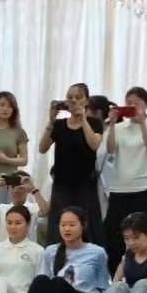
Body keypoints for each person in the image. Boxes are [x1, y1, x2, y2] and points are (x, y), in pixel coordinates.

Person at [18, 207, 109, 293]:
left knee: (59, 282)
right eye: (63, 225)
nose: (67, 229)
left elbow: (104, 287)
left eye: (72, 225)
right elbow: (43, 287)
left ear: (83, 226)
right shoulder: (50, 251)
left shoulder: (97, 252)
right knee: (40, 279)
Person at [101, 87, 147, 273]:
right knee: (114, 238)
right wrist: (111, 124)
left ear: (146, 105)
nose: (132, 106)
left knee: (141, 237)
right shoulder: (119, 128)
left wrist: (142, 123)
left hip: (143, 190)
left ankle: (144, 274)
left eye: (136, 103)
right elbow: (110, 149)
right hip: (119, 191)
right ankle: (115, 277)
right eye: (128, 103)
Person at [39, 84, 104, 245]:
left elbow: (94, 144)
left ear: (86, 101)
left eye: (78, 97)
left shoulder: (94, 123)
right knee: (59, 225)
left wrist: (83, 119)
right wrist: (51, 121)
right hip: (61, 184)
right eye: (70, 97)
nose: (73, 100)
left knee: (85, 226)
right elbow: (42, 148)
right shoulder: (59, 125)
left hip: (85, 185)